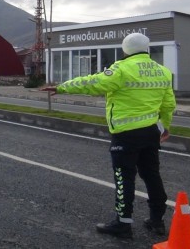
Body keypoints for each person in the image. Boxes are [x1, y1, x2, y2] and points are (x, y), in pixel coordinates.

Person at [41, 32, 176, 239]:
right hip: (151, 132)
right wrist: (165, 127)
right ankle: (157, 221)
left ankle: (123, 224)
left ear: (125, 50)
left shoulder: (121, 69)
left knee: (124, 178)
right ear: (146, 48)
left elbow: (92, 82)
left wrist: (61, 87)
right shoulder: (163, 72)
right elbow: (168, 104)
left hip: (126, 134)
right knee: (152, 175)